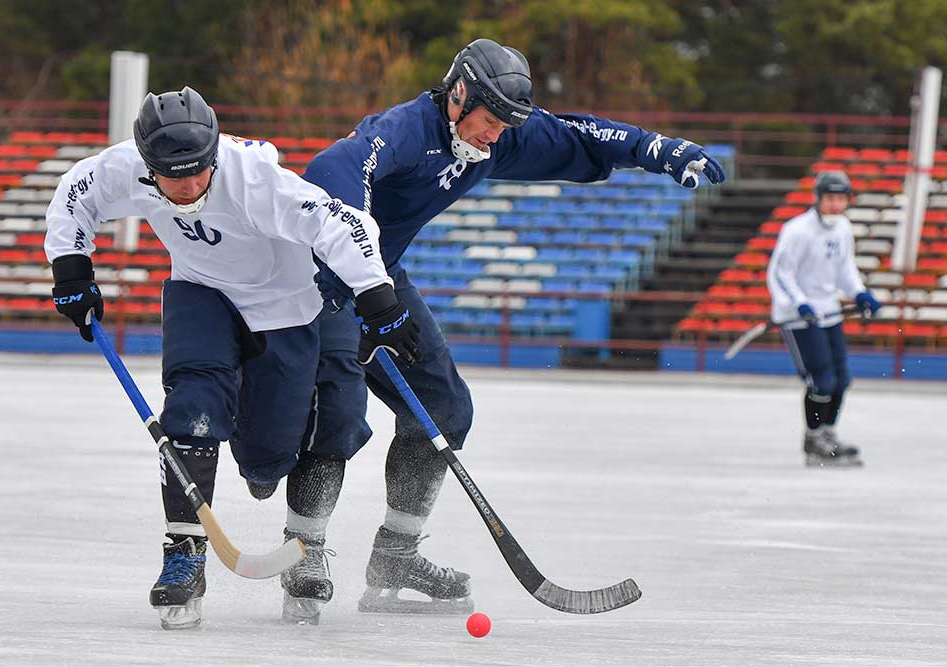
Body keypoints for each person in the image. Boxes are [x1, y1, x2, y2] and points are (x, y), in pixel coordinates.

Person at [267, 38, 727, 618]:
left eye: (505, 129)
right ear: (458, 95)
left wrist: (655, 148)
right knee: (337, 414)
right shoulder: (407, 130)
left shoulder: (489, 140)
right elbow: (336, 168)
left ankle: (395, 557)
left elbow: (577, 137)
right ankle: (305, 550)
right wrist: (361, 277)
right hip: (316, 281)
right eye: (489, 122)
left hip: (385, 278)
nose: (495, 137)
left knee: (445, 409)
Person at [44, 86, 419, 629]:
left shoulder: (254, 178)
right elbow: (75, 195)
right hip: (201, 291)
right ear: (148, 163)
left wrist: (377, 292)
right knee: (191, 407)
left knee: (267, 460)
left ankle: (301, 537)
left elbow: (341, 223)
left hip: (284, 307)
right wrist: (71, 267)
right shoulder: (125, 168)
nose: (190, 185)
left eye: (200, 171)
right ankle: (185, 554)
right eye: (174, 176)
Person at [766, 170, 882, 466]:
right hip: (799, 316)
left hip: (828, 311)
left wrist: (859, 293)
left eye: (841, 199)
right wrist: (800, 304)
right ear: (818, 199)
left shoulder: (842, 227)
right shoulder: (798, 230)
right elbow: (781, 273)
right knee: (822, 381)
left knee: (842, 379)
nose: (835, 205)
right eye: (830, 198)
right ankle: (813, 440)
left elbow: (845, 268)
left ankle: (828, 434)